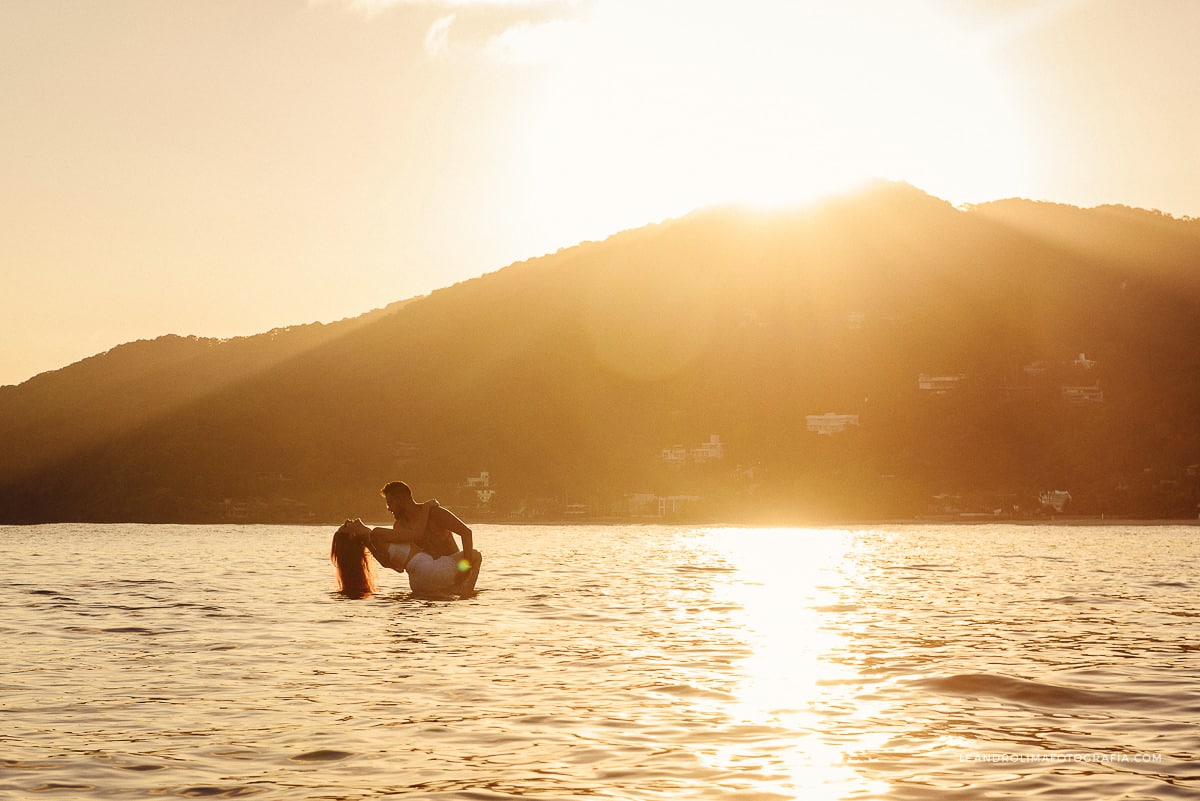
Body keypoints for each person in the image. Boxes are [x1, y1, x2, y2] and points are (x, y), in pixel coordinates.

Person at [330, 481, 482, 597]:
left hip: (449, 570)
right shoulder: (399, 526)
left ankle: (465, 592)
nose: (389, 508)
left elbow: (466, 533)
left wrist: (465, 567)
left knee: (471, 559)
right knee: (476, 556)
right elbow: (400, 567)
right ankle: (466, 595)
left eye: (390, 502)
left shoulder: (436, 514)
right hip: (431, 574)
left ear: (402, 499)